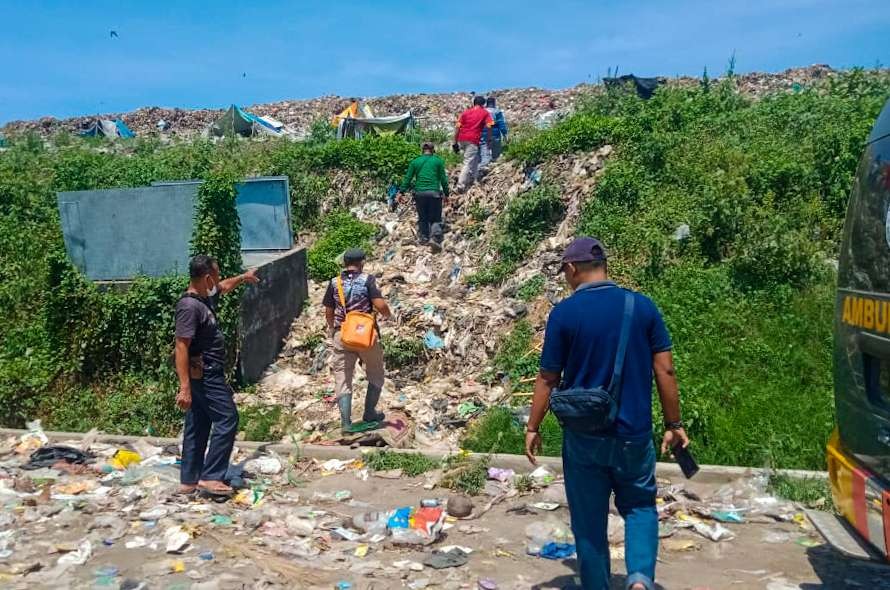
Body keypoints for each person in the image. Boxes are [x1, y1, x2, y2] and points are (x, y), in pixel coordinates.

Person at [524, 237, 688, 590]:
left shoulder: (564, 314)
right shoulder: (642, 307)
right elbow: (666, 371)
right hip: (634, 433)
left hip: (585, 438)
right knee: (640, 506)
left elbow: (548, 377)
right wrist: (674, 424)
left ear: (571, 269)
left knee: (588, 520)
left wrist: (533, 426)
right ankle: (640, 581)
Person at [174, 255, 259, 496]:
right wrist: (185, 387)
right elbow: (181, 346)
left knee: (198, 424)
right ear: (207, 277)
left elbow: (223, 287)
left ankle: (189, 480)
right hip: (205, 374)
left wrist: (243, 278)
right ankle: (211, 477)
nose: (219, 280)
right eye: (217, 275)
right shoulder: (189, 307)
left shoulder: (204, 297)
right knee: (227, 418)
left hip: (205, 373)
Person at [322, 248, 393, 431]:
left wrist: (334, 329)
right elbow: (380, 305)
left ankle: (346, 423)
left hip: (342, 334)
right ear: (362, 262)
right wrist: (387, 315)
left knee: (343, 378)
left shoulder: (334, 283)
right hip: (365, 335)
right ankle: (369, 413)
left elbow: (329, 312)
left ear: (345, 263)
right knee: (375, 372)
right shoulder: (367, 280)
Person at [399, 142, 450, 251]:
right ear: (433, 150)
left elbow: (407, 178)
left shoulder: (415, 162)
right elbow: (443, 179)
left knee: (423, 217)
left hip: (420, 194)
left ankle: (424, 238)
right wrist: (447, 194)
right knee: (435, 217)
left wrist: (401, 192)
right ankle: (435, 239)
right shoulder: (438, 161)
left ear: (422, 150)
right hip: (434, 193)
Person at [453, 96, 494, 193]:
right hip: (473, 140)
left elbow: (457, 127)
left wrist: (454, 142)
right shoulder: (485, 112)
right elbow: (490, 125)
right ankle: (461, 185)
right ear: (483, 104)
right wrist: (489, 139)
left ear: (474, 103)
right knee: (468, 162)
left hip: (462, 139)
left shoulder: (465, 112)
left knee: (474, 159)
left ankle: (474, 179)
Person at [479, 96, 509, 170]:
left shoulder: (482, 111)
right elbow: (501, 124)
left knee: (484, 155)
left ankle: (483, 169)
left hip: (484, 135)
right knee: (496, 156)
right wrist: (505, 135)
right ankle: (494, 169)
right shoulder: (497, 111)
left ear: (487, 103)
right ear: (494, 103)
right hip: (495, 134)